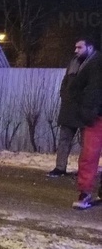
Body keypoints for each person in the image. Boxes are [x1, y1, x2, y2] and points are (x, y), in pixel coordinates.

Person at [47, 38, 96, 177]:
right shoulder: (73, 62)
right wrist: (64, 95)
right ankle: (60, 167)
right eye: (76, 47)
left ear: (90, 48)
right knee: (64, 140)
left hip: (85, 110)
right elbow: (65, 82)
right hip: (69, 109)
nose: (76, 50)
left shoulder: (95, 65)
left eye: (80, 47)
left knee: (86, 144)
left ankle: (84, 171)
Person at [67, 39, 102, 209]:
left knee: (89, 155)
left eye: (79, 47)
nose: (76, 50)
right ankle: (85, 192)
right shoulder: (94, 64)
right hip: (95, 118)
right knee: (89, 155)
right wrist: (86, 110)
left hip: (93, 115)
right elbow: (74, 89)